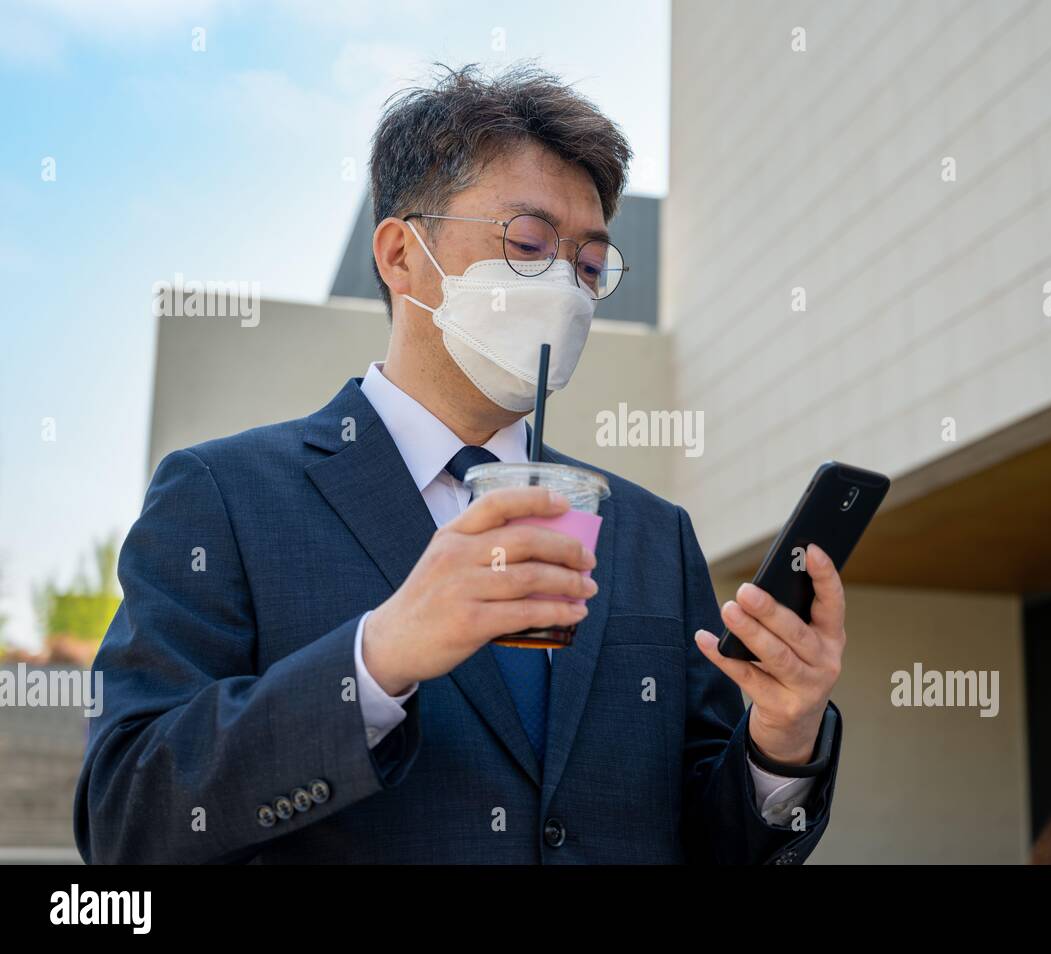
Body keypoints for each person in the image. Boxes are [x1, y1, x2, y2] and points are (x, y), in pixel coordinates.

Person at [74, 62, 846, 864]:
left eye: (588, 265)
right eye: (527, 244)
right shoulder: (223, 499)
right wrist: (376, 659)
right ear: (400, 255)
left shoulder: (650, 532)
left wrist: (780, 742)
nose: (567, 290)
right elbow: (127, 817)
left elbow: (706, 841)